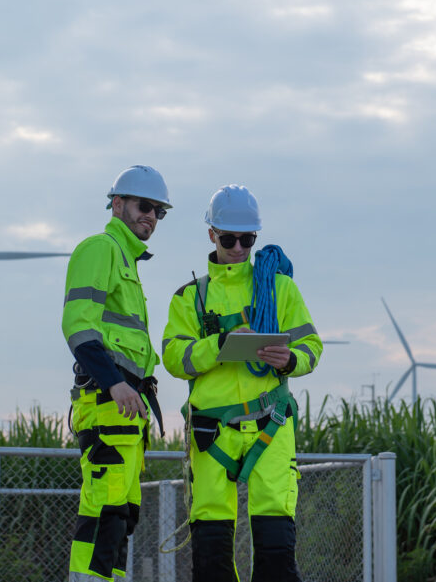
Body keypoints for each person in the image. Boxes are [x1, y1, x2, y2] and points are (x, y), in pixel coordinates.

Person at [162, 184, 323, 582]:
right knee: (211, 555)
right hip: (211, 434)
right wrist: (218, 345)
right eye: (230, 238)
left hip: (271, 424)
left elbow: (312, 346)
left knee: (276, 549)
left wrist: (291, 360)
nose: (238, 248)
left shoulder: (279, 288)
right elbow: (173, 358)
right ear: (212, 234)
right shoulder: (189, 299)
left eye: (247, 239)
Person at [62, 165, 171, 580]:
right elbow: (78, 325)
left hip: (124, 410)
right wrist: (114, 382)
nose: (151, 217)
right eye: (145, 206)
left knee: (121, 518)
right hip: (109, 404)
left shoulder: (127, 261)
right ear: (117, 203)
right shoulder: (100, 248)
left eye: (158, 212)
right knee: (103, 515)